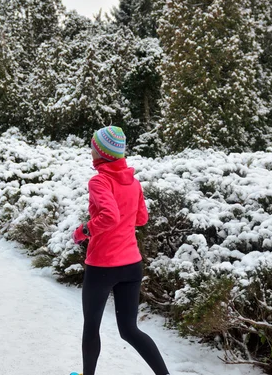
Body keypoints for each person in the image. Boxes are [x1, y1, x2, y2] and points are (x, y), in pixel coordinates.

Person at [71, 126, 170, 375]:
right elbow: (141, 218)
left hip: (102, 266)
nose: (91, 152)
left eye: (93, 148)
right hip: (131, 266)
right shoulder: (133, 182)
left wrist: (84, 230)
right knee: (129, 330)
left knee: (91, 328)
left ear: (101, 153)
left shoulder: (99, 180)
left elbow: (110, 216)